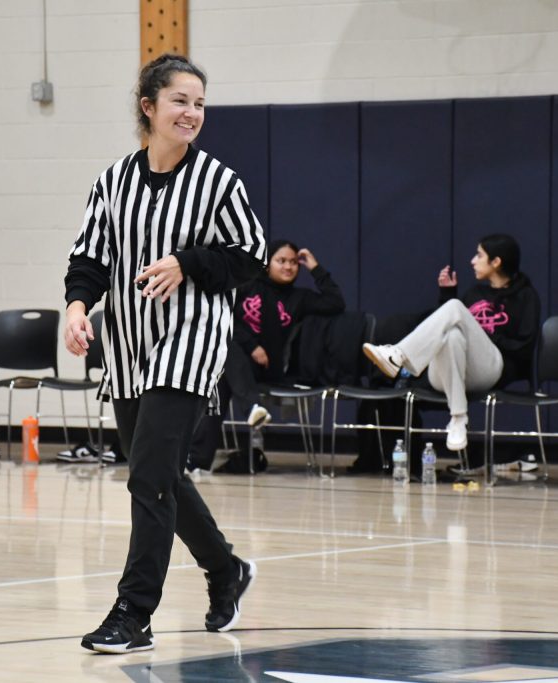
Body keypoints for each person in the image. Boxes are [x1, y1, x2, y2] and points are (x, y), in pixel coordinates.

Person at [63, 54, 267, 654]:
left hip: (191, 337)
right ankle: (225, 569)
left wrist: (188, 261)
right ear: (148, 107)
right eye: (181, 100)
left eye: (200, 103)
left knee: (148, 475)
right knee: (161, 477)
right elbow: (89, 257)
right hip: (128, 340)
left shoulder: (219, 181)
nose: (193, 113)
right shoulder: (113, 181)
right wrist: (78, 308)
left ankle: (135, 612)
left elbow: (248, 257)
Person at [362, 234, 540, 452]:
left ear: (496, 262)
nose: (473, 261)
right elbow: (444, 327)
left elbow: (524, 346)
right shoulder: (475, 293)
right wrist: (447, 294)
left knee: (456, 310)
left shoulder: (525, 296)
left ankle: (398, 355)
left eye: (479, 255)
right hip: (448, 374)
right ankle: (458, 418)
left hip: (488, 369)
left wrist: (482, 335)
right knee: (453, 333)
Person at [187, 239, 345, 470]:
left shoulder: (299, 298)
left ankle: (198, 459)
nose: (288, 267)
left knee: (223, 376)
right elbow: (225, 316)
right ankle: (250, 409)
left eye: (293, 263)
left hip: (273, 368)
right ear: (267, 263)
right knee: (225, 364)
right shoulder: (248, 286)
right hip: (242, 362)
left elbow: (336, 302)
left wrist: (315, 268)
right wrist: (252, 346)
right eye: (281, 261)